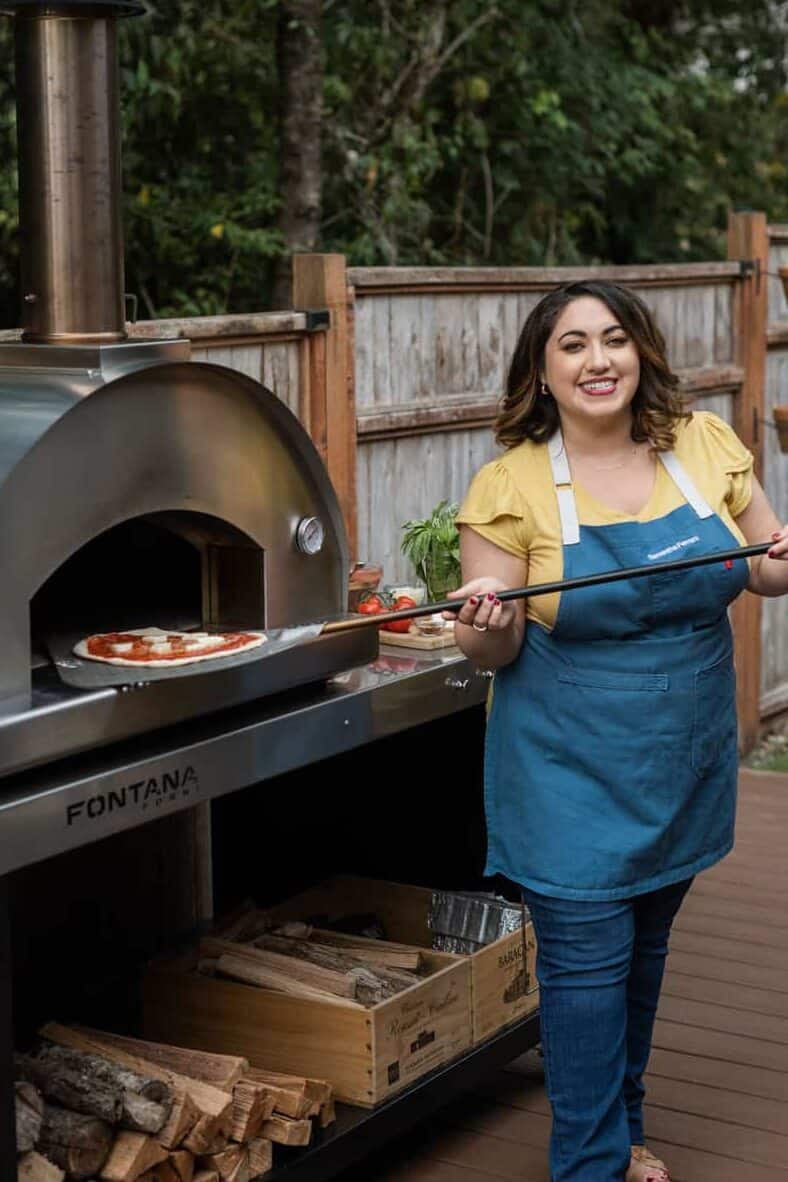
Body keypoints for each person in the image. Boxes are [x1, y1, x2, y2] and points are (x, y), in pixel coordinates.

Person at [446, 280, 788, 1182]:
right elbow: (493, 650)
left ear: (640, 352)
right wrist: (479, 618)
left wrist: (783, 556)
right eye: (572, 345)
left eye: (613, 339)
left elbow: (764, 569)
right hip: (570, 772)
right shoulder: (510, 483)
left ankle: (620, 1136)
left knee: (643, 953)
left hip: (682, 759)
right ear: (543, 370)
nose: (597, 360)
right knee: (587, 973)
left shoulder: (703, 447)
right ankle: (589, 1165)